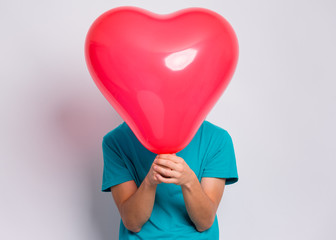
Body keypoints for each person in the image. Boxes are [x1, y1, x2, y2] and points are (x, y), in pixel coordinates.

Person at [101, 119, 239, 239]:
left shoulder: (217, 139)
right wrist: (149, 182)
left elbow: (204, 222)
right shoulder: (116, 141)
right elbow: (132, 223)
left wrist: (189, 181)